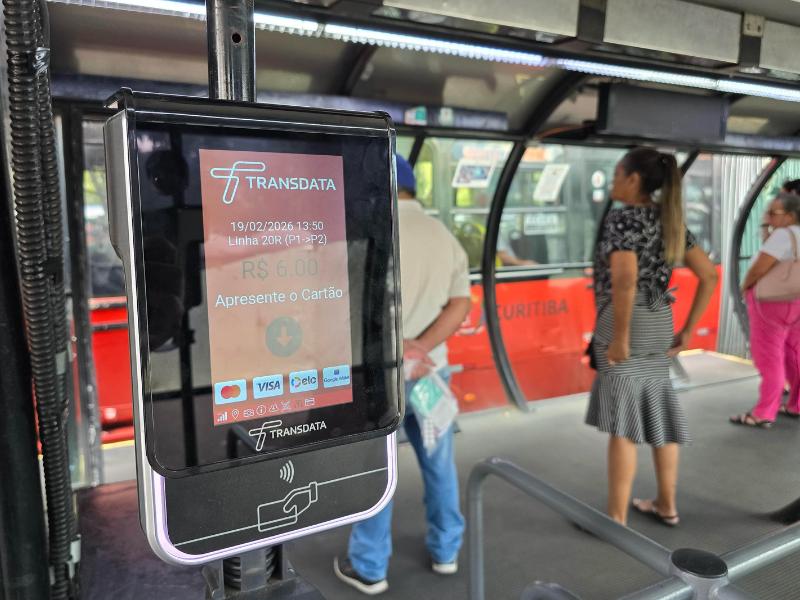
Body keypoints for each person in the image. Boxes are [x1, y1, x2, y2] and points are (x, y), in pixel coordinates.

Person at [334, 156, 471, 595]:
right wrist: (421, 347)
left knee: (377, 469)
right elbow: (460, 304)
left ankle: (370, 566)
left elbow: (349, 306)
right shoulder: (443, 235)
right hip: (431, 374)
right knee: (439, 462)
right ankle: (446, 551)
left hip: (379, 378)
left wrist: (397, 347)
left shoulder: (367, 232)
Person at [586, 148, 717, 527]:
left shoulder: (622, 219)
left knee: (623, 423)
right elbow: (709, 275)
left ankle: (615, 519)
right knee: (659, 408)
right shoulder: (669, 219)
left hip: (625, 321)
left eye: (617, 175)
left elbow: (625, 280)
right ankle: (666, 504)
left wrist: (620, 337)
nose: (613, 182)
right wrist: (688, 329)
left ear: (633, 180)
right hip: (660, 318)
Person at [730, 192, 800, 427]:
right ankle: (796, 404)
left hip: (770, 303)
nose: (767, 217)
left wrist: (745, 286)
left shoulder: (783, 235)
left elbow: (760, 267)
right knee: (793, 353)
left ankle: (763, 413)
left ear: (790, 215)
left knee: (769, 357)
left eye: (773, 213)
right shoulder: (795, 234)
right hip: (795, 301)